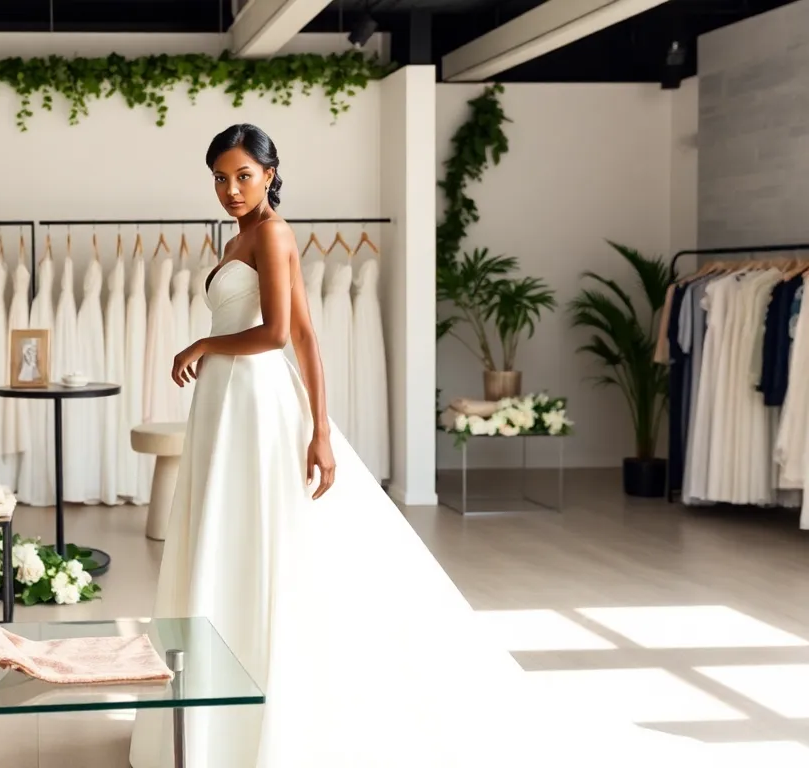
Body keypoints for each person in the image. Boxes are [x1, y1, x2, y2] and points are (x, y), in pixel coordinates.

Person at [128, 124, 724, 767]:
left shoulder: (272, 232)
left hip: (253, 399)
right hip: (226, 402)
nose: (231, 189)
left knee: (259, 540)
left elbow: (280, 335)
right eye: (220, 177)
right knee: (225, 533)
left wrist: (223, 360)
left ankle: (263, 720)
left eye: (244, 175)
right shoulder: (240, 236)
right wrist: (313, 420)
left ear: (271, 174)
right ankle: (216, 718)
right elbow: (306, 333)